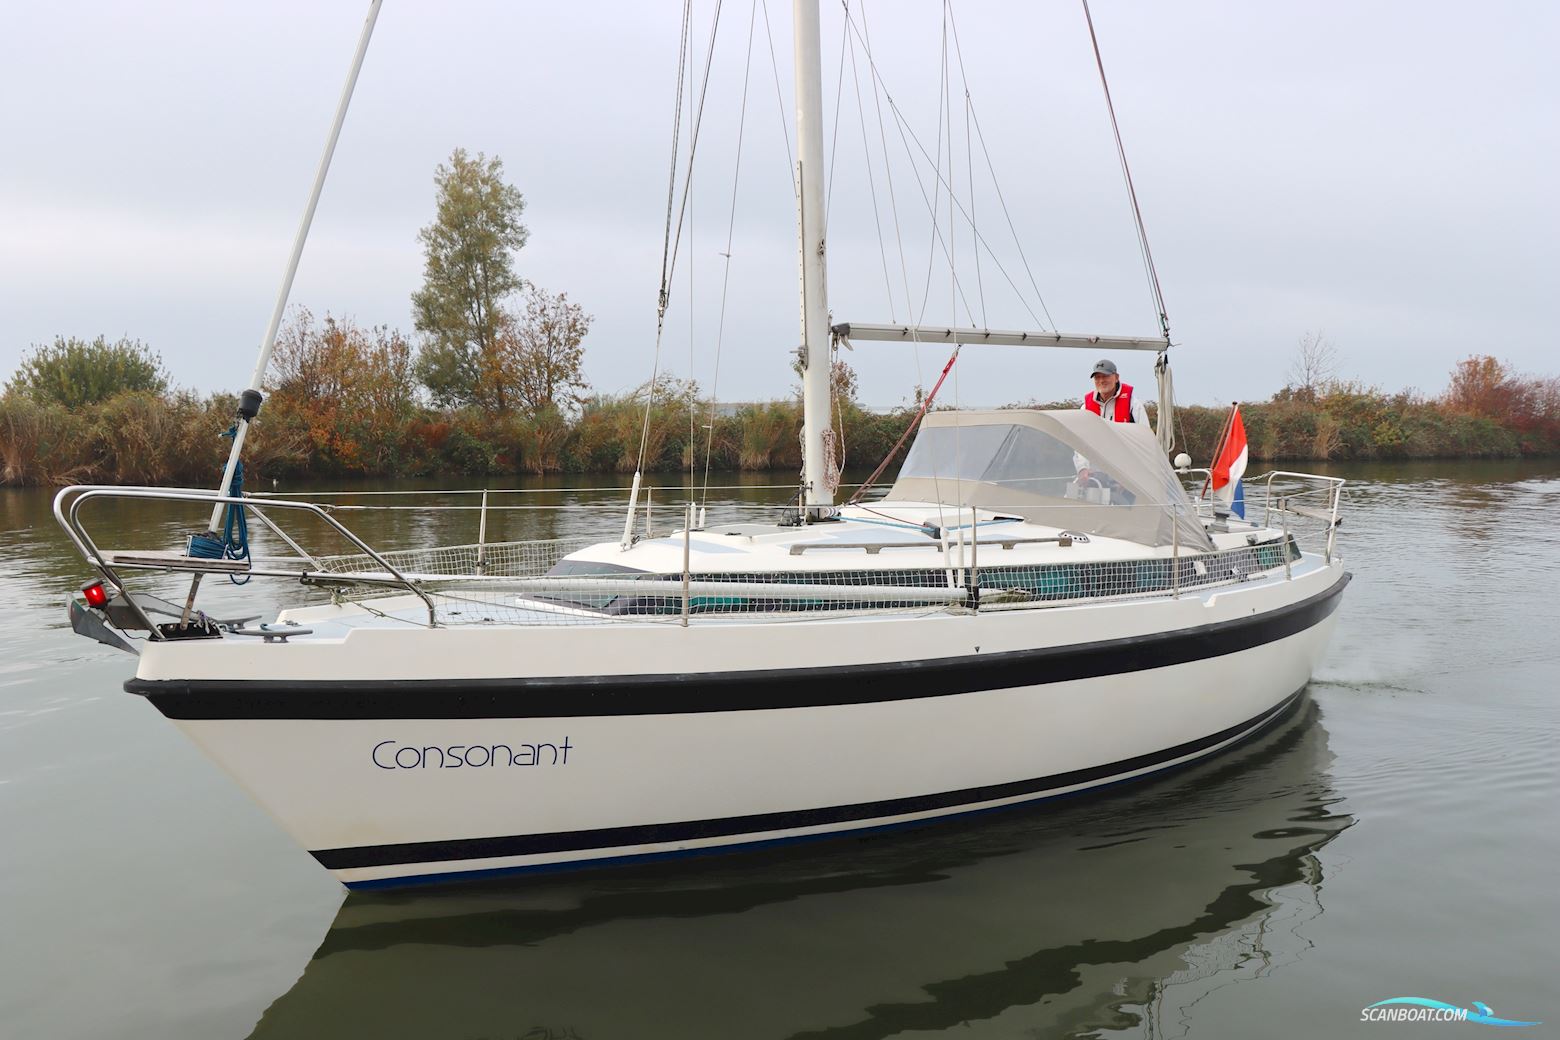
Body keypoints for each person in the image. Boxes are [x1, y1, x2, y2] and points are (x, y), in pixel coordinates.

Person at [1074, 359, 1151, 493]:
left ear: (1116, 377)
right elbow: (1080, 442)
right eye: (1097, 377)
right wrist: (1082, 469)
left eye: (1105, 376)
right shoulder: (1086, 408)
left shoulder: (1134, 405)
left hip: (1128, 477)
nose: (1101, 381)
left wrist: (1133, 476)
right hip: (1095, 476)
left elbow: (1145, 443)